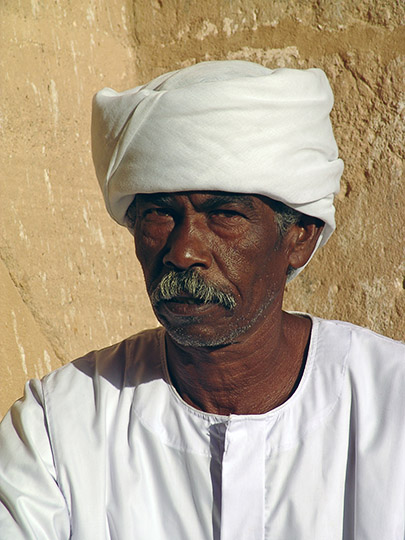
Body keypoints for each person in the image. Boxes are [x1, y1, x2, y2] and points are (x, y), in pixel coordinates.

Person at [0, 60, 404, 540]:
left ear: (300, 237)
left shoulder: (392, 408)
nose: (184, 251)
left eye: (225, 214)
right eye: (158, 214)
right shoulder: (60, 428)